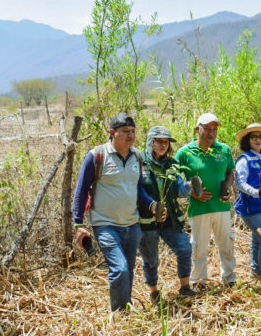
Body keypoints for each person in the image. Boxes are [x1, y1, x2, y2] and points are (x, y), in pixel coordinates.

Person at [72, 113, 158, 312]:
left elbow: (138, 190)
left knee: (127, 271)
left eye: (133, 132)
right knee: (119, 270)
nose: (130, 135)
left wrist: (152, 205)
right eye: (125, 131)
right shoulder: (97, 156)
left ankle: (125, 308)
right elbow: (81, 189)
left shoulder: (136, 156)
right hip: (106, 225)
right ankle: (120, 314)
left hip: (132, 225)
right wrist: (78, 224)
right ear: (112, 133)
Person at [175, 113, 236, 287]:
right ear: (197, 129)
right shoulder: (185, 152)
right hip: (199, 207)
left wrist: (229, 186)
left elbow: (230, 171)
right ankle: (198, 281)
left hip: (221, 206)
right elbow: (173, 174)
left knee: (226, 243)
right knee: (199, 247)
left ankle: (229, 278)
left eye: (214, 129)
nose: (211, 133)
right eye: (207, 129)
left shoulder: (223, 149)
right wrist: (190, 191)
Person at [137, 126, 196, 304]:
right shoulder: (139, 161)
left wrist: (189, 186)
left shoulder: (171, 164)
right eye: (159, 141)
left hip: (170, 218)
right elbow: (136, 188)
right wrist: (152, 205)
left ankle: (185, 287)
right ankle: (154, 292)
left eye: (166, 142)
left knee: (185, 249)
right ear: (151, 142)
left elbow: (179, 190)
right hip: (146, 220)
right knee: (151, 259)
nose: (163, 145)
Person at [234, 123, 261, 279]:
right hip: (250, 207)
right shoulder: (244, 160)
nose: (258, 140)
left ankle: (256, 270)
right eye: (254, 137)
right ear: (247, 140)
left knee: (258, 239)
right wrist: (256, 192)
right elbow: (240, 183)